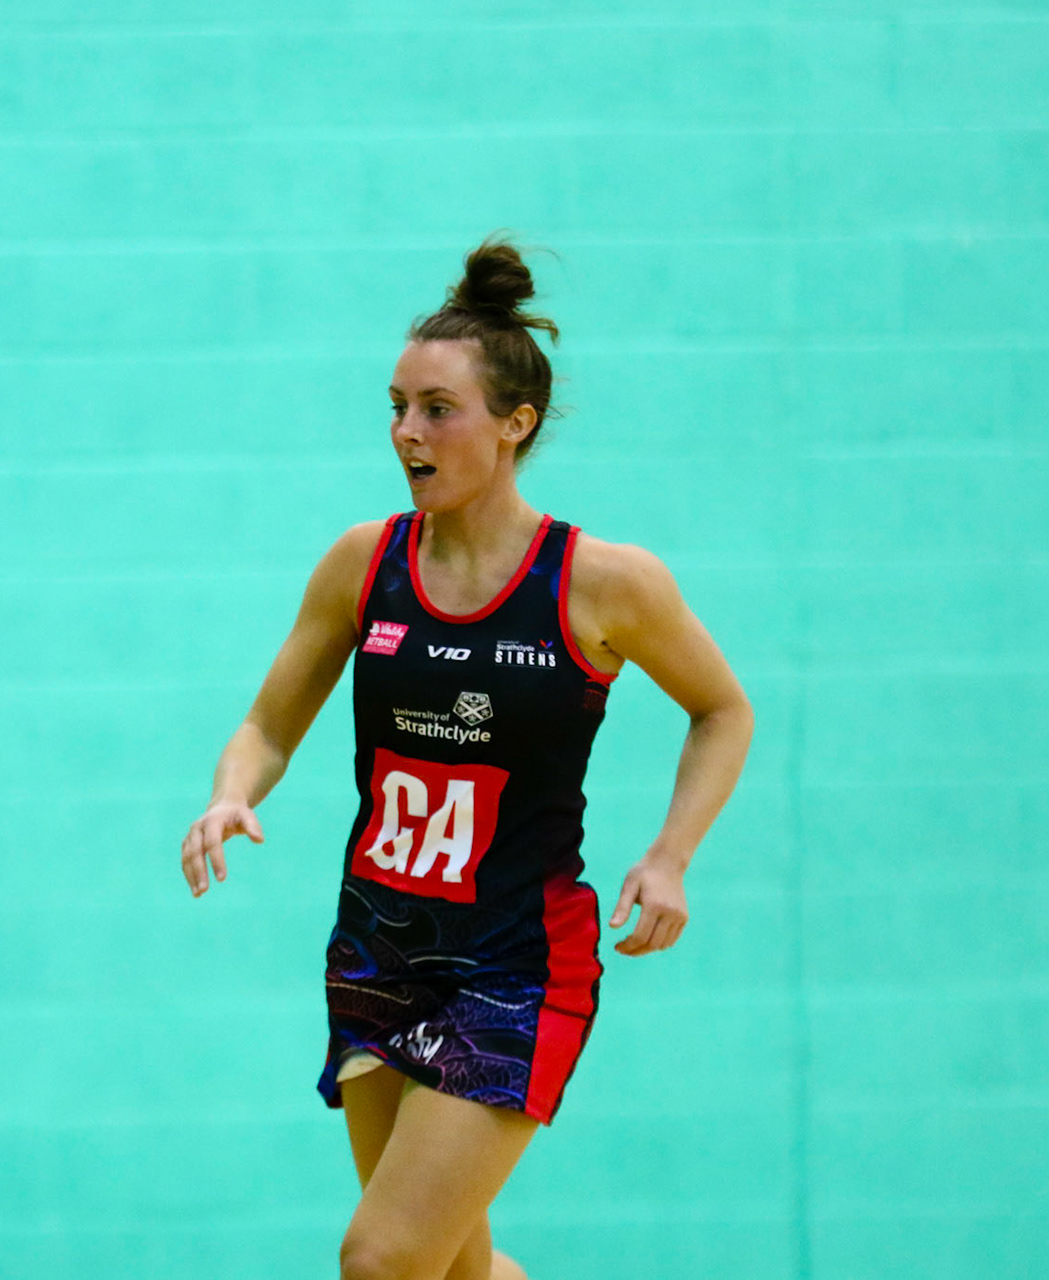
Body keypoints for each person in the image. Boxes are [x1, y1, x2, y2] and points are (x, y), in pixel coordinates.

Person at [179, 237, 753, 1280]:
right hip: (376, 949)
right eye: (396, 404)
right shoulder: (365, 563)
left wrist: (671, 853)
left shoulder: (602, 583)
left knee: (382, 1257)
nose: (407, 430)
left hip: (514, 965)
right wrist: (228, 794)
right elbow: (268, 723)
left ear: (514, 422)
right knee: (451, 1268)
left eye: (437, 407)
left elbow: (722, 708)